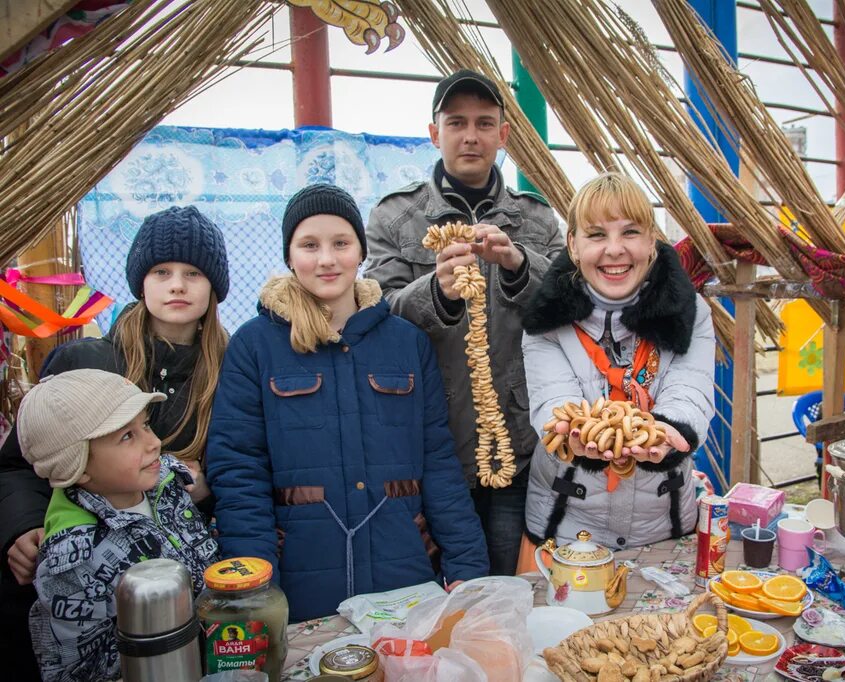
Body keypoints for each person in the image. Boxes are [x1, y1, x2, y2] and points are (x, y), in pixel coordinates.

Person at [206, 184, 488, 622]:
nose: (326, 259)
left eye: (341, 243)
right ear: (289, 255)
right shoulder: (254, 346)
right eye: (309, 245)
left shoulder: (406, 342)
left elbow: (437, 460)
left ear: (360, 251)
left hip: (404, 574)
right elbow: (239, 472)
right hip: (301, 582)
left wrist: (467, 567)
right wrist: (256, 591)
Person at [0, 205, 229, 680]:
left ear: (214, 286)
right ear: (139, 282)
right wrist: (20, 524)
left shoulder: (231, 373)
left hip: (180, 577)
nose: (178, 285)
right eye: (161, 271)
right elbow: (18, 464)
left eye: (193, 273)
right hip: (84, 580)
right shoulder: (85, 362)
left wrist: (210, 486)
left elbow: (248, 462)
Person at [364, 69, 564, 575]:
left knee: (505, 587)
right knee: (425, 589)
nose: (470, 135)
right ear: (435, 133)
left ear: (504, 135)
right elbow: (374, 313)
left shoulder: (537, 222)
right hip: (426, 440)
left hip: (516, 443)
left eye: (483, 122)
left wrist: (520, 264)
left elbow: (571, 305)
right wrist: (435, 292)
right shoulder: (395, 218)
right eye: (456, 123)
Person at [520, 173, 715, 549]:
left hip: (663, 522)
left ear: (651, 242)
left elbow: (690, 390)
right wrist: (574, 438)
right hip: (566, 526)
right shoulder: (546, 323)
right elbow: (555, 402)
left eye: (630, 232)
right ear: (573, 246)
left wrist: (670, 432)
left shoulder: (691, 313)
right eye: (596, 235)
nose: (614, 250)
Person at [19, 369, 219, 682]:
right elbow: (77, 670)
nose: (154, 442)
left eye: (146, 425)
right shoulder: (73, 559)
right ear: (78, 465)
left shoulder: (165, 480)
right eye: (127, 436)